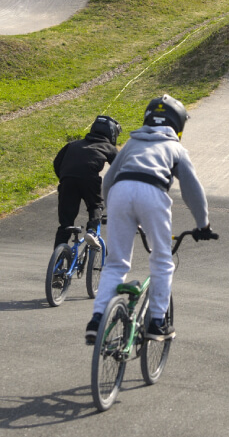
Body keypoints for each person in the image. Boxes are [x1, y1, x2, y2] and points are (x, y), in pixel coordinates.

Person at [86, 94, 214, 344]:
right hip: (153, 193)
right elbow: (191, 190)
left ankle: (97, 319)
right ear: (177, 125)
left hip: (120, 193)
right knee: (162, 260)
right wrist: (203, 224)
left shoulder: (132, 144)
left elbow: (109, 180)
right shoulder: (176, 148)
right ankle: (157, 321)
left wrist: (113, 211)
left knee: (116, 263)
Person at [52, 115, 121, 249]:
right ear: (112, 133)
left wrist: (64, 178)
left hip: (67, 180)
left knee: (65, 224)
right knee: (95, 206)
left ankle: (58, 263)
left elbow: (57, 163)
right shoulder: (109, 148)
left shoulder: (73, 144)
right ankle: (92, 232)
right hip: (89, 180)